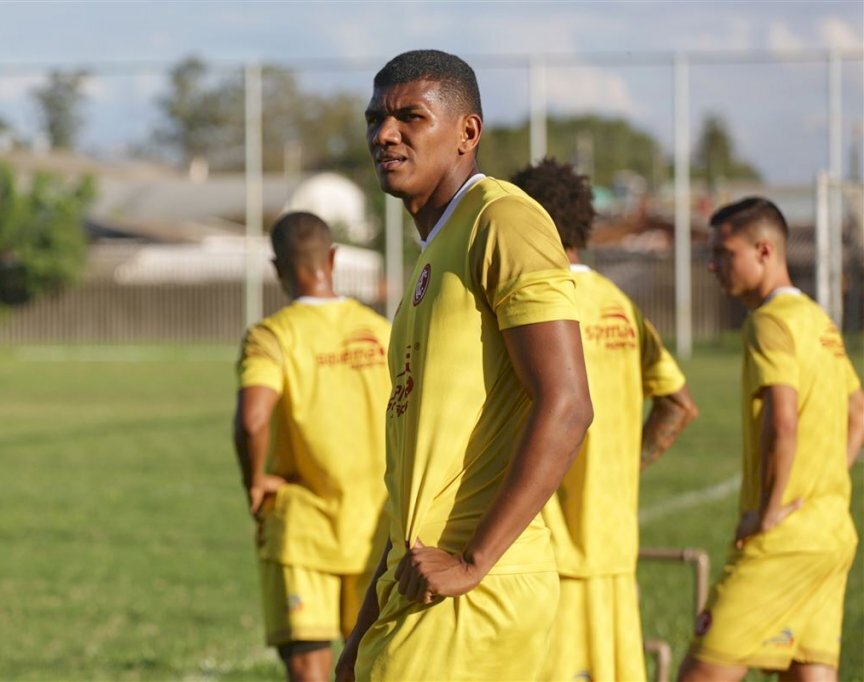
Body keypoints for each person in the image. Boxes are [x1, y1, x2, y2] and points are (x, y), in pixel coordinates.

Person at [336, 50, 593, 682]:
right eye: (376, 119)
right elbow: (423, 474)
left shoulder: (501, 219)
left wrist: (475, 561)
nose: (384, 133)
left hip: (474, 592)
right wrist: (366, 622)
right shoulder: (435, 250)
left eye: (410, 117)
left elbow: (567, 403)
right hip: (421, 582)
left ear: (467, 133)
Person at [511, 158, 699, 681]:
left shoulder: (527, 302)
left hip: (543, 547)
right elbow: (679, 403)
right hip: (613, 548)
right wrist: (621, 470)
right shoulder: (621, 306)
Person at [679, 197, 864, 681]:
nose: (713, 265)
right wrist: (823, 481)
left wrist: (768, 509)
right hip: (832, 532)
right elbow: (857, 413)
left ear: (764, 250)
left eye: (725, 252)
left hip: (782, 539)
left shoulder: (769, 322)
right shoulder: (821, 322)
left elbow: (782, 421)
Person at [233, 211, 391, 682]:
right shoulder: (382, 331)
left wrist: (254, 480)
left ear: (277, 268)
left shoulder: (272, 336)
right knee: (374, 668)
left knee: (309, 671)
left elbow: (251, 420)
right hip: (379, 528)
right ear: (334, 259)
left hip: (303, 528)